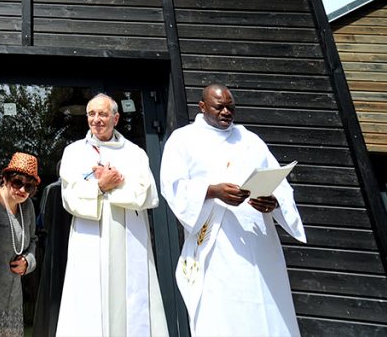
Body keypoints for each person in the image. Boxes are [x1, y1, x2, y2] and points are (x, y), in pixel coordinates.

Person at [159, 83, 306, 337]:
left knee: (267, 306)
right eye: (219, 107)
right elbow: (172, 185)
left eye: (230, 107)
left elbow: (279, 182)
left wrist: (274, 201)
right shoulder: (183, 139)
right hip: (218, 240)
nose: (226, 112)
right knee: (223, 311)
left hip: (258, 239)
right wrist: (213, 190)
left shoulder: (250, 140)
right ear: (203, 107)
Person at [57, 93, 167, 336]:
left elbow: (147, 194)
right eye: (91, 114)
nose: (96, 120)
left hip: (128, 235)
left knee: (131, 299)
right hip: (89, 238)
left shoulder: (135, 153)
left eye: (103, 114)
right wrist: (100, 186)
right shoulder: (74, 152)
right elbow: (69, 196)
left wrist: (112, 184)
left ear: (116, 118)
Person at [0, 152, 39, 337]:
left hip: (12, 300)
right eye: (17, 183)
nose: (22, 190)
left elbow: (33, 241)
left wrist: (28, 262)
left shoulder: (26, 206)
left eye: (29, 187)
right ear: (5, 178)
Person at [32, 166, 71, 337]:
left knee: (52, 288)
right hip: (68, 241)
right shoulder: (60, 189)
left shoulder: (51, 190)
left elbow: (43, 220)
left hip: (55, 243)